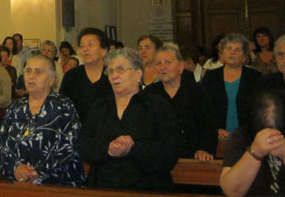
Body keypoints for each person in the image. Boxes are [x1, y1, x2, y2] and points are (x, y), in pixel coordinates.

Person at [81, 47, 180, 191]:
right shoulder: (100, 106)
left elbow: (169, 152)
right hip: (103, 186)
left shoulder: (156, 106)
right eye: (110, 71)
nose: (114, 75)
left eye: (121, 70)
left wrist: (133, 148)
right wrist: (107, 149)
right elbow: (84, 144)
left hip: (146, 186)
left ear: (138, 74)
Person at [0, 55, 86, 186]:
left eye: (38, 72)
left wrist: (38, 172)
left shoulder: (63, 105)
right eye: (28, 71)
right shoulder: (15, 107)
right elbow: (0, 141)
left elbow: (70, 143)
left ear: (51, 80)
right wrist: (16, 168)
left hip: (57, 183)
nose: (31, 76)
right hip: (19, 182)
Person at [220, 88, 285, 197]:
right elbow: (231, 190)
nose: (272, 138)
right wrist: (255, 152)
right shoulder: (241, 136)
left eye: (280, 134)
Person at [142, 45, 217, 161]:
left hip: (192, 156)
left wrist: (204, 149)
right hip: (159, 159)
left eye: (168, 62)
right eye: (158, 63)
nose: (163, 67)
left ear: (181, 66)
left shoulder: (197, 92)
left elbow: (208, 125)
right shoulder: (149, 94)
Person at [201, 33, 261, 140]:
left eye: (237, 49)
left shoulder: (254, 77)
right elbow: (204, 107)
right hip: (218, 135)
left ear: (244, 56)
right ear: (222, 53)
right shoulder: (210, 76)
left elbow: (259, 108)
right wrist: (215, 128)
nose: (232, 52)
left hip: (248, 135)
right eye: (229, 48)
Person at [59, 27, 112, 126]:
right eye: (82, 46)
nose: (85, 49)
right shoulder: (71, 76)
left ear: (104, 50)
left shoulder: (112, 75)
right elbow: (62, 107)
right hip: (76, 132)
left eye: (90, 45)